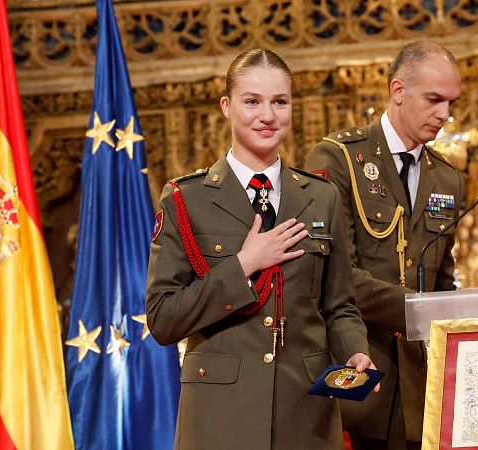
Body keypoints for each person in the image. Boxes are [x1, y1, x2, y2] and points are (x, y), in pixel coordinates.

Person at [146, 48, 377, 450]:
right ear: (226, 106)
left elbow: (339, 306)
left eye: (279, 102)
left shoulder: (321, 196)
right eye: (252, 101)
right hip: (220, 416)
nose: (267, 115)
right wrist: (243, 265)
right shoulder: (187, 199)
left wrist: (355, 352)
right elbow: (163, 319)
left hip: (305, 414)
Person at [304, 41, 464, 450]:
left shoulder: (447, 179)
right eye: (434, 100)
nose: (444, 114)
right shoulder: (338, 158)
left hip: (421, 387)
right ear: (398, 91)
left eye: (450, 102)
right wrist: (420, 307)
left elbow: (443, 282)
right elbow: (333, 275)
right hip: (358, 375)